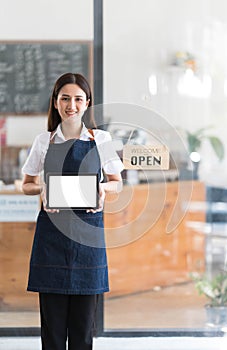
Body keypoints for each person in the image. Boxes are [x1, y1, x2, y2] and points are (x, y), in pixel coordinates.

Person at [22, 72, 124, 350]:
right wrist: (42, 189)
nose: (72, 105)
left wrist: (103, 189)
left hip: (88, 241)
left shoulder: (100, 139)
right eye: (65, 98)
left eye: (78, 99)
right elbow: (26, 185)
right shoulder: (44, 141)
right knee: (52, 335)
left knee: (82, 333)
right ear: (55, 102)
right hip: (51, 241)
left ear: (87, 103)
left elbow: (117, 182)